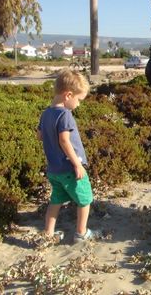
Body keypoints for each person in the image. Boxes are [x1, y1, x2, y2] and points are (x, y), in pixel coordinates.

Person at [37, 69, 100, 243]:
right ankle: (81, 232)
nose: (79, 104)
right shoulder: (65, 115)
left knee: (55, 200)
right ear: (68, 95)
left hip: (53, 168)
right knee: (85, 199)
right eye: (78, 100)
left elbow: (40, 136)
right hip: (69, 168)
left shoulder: (46, 113)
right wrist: (77, 164)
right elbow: (64, 141)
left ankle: (48, 234)